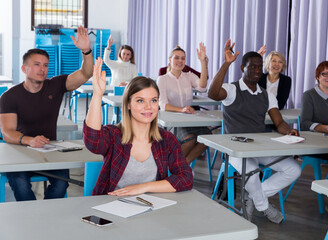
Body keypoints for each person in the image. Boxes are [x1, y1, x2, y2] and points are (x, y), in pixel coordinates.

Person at [208, 39, 301, 224]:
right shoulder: (232, 89)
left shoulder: (267, 94)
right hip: (236, 148)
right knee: (250, 171)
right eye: (253, 67)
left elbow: (278, 121)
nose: (257, 71)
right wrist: (226, 63)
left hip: (260, 147)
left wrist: (289, 131)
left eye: (260, 67)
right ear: (242, 67)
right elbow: (213, 93)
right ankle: (263, 206)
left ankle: (254, 199)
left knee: (294, 169)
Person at [0, 26, 94, 201]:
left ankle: (48, 215)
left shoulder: (55, 85)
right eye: (36, 65)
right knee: (20, 184)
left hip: (51, 151)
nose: (42, 69)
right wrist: (30, 140)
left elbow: (86, 73)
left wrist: (87, 51)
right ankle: (31, 218)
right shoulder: (9, 96)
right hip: (20, 151)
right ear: (24, 68)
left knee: (61, 183)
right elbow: (7, 133)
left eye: (45, 65)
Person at [83, 58, 193, 196]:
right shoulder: (114, 135)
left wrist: (143, 187)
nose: (148, 107)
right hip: (112, 207)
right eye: (140, 100)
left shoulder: (166, 140)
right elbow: (92, 142)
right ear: (128, 104)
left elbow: (186, 178)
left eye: (153, 100)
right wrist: (97, 95)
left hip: (151, 207)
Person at [156, 43, 210, 164]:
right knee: (190, 139)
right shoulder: (162, 79)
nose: (180, 61)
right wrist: (182, 109)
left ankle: (182, 165)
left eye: (183, 58)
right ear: (170, 60)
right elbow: (163, 105)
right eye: (176, 57)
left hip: (190, 119)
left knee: (208, 137)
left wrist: (203, 63)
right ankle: (177, 167)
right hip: (172, 122)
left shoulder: (189, 76)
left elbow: (202, 87)